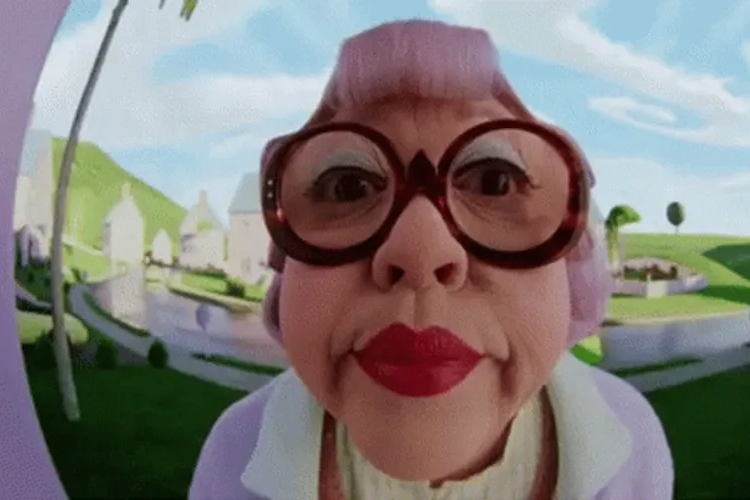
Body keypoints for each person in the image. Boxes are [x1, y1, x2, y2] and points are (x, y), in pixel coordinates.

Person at [189, 19, 673, 500]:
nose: (420, 251)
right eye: (347, 187)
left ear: (570, 260)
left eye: (493, 182)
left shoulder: (634, 439)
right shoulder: (233, 451)